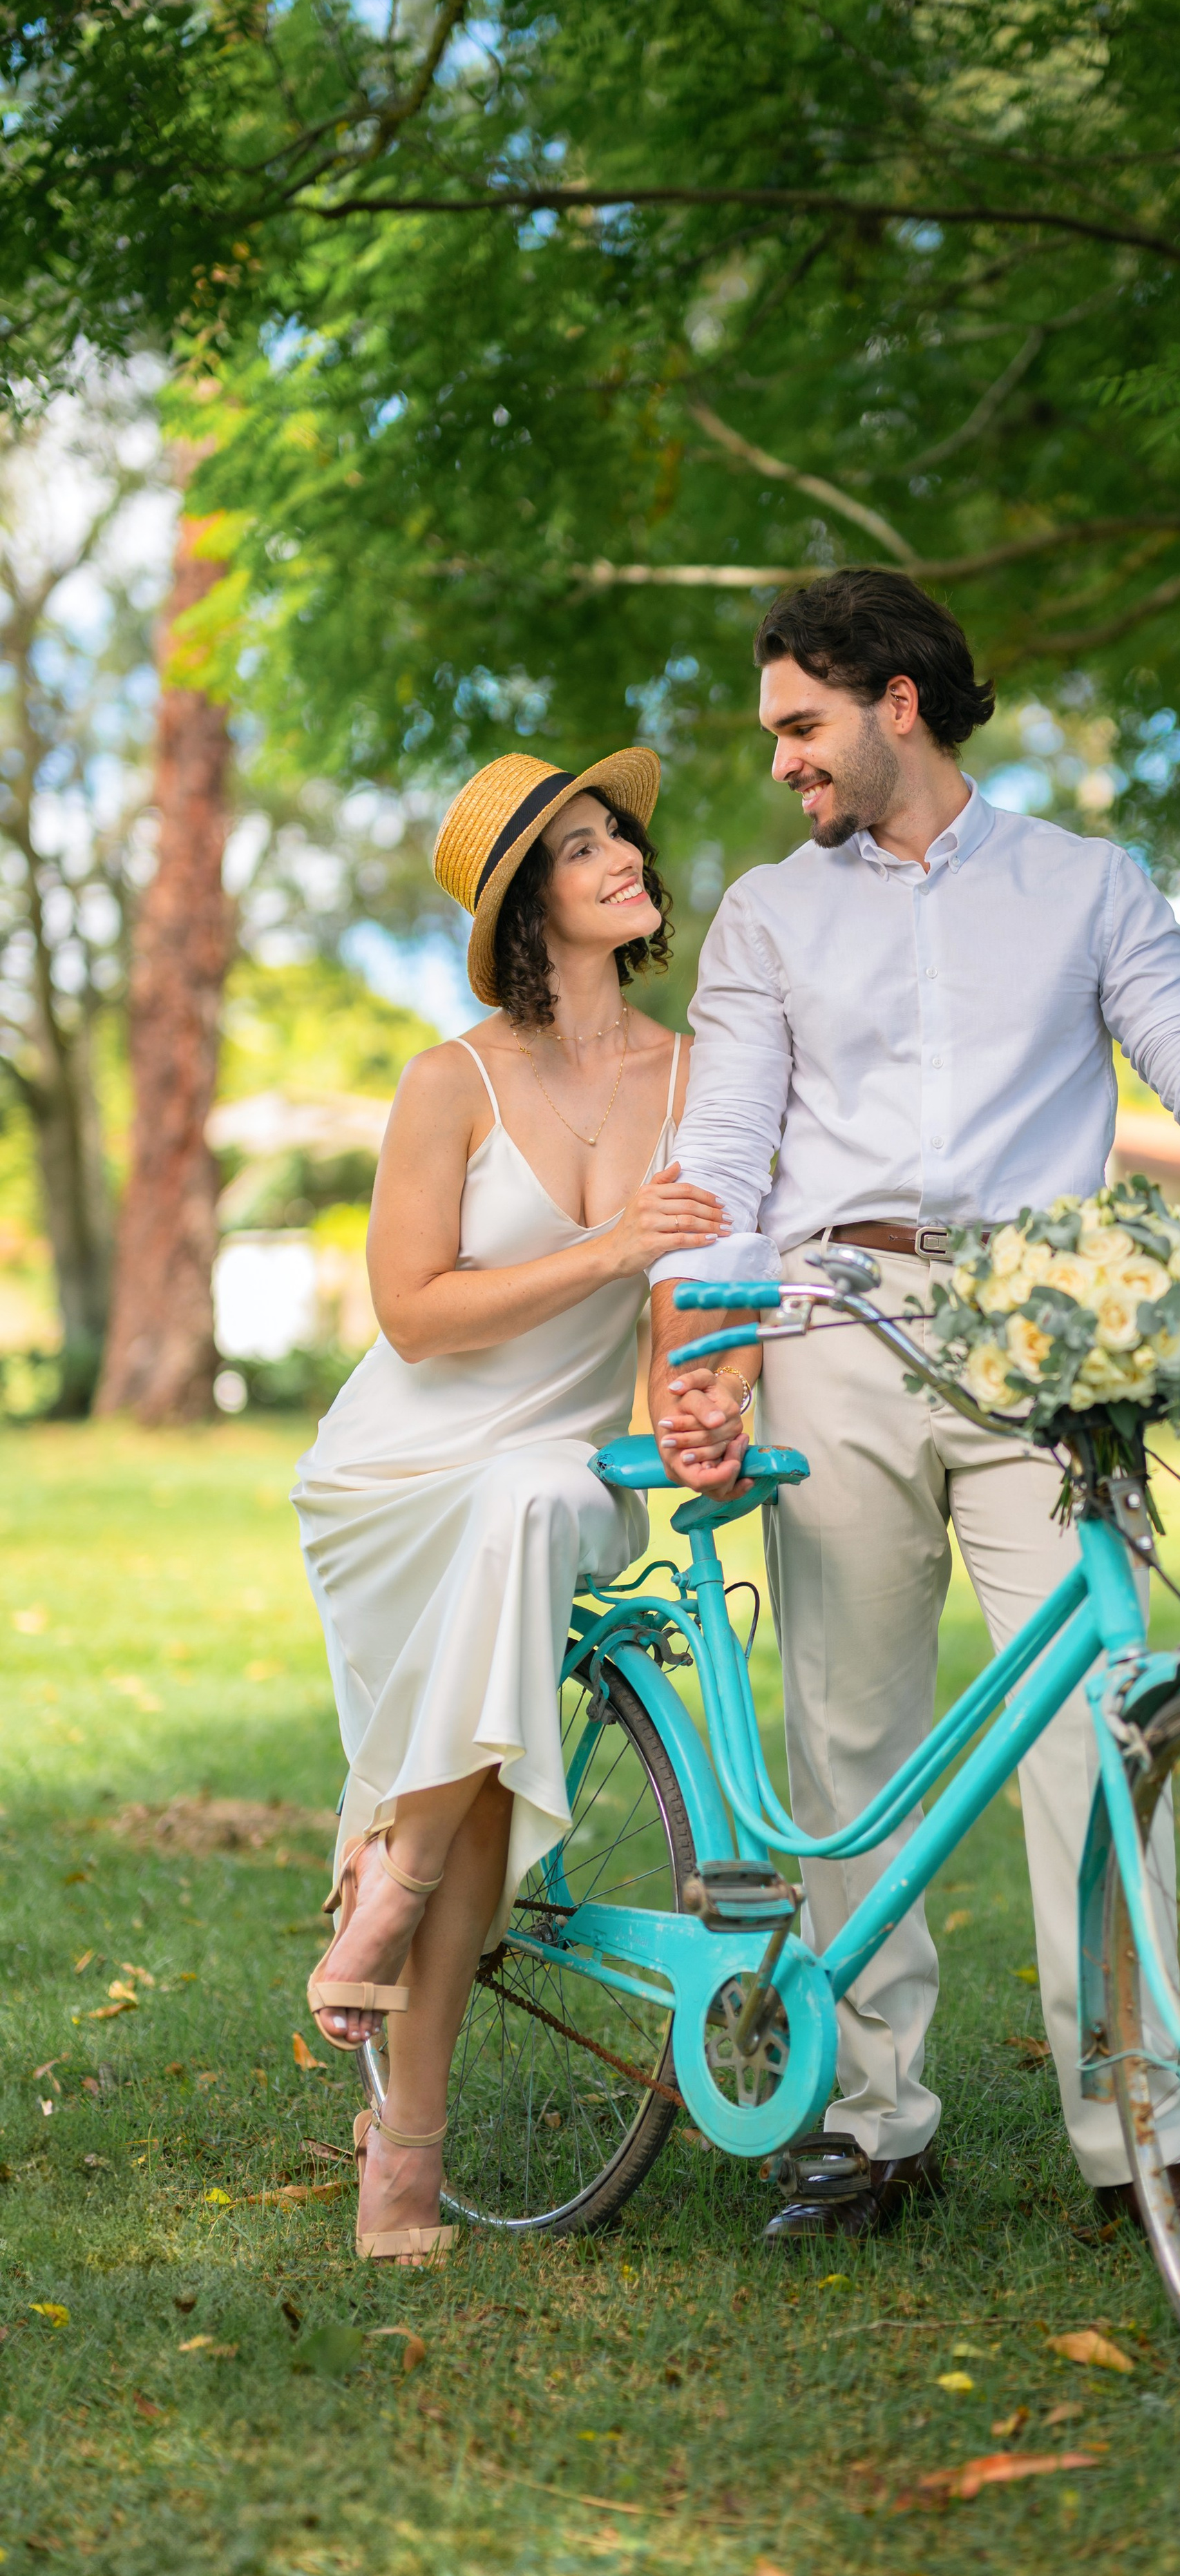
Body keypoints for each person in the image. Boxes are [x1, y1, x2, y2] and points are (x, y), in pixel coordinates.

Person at [647, 569, 1180, 2253]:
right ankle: (866, 2121)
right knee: (848, 1738)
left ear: (895, 701)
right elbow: (724, 1160)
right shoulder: (767, 913)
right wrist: (713, 1348)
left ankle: (1145, 2143)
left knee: (1096, 1737)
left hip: (1048, 1339)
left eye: (800, 725)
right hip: (831, 1324)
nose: (780, 763)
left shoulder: (1085, 887)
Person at [293, 746, 733, 2265]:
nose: (624, 857)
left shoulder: (694, 1078)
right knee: (476, 1757)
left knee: (537, 1508)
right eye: (580, 847)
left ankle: (394, 1888)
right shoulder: (448, 1079)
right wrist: (609, 1251)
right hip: (397, 1477)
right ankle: (401, 2165)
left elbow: (679, 1299)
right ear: (522, 911)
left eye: (622, 837)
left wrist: (692, 1395)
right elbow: (414, 1315)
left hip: (559, 1470)